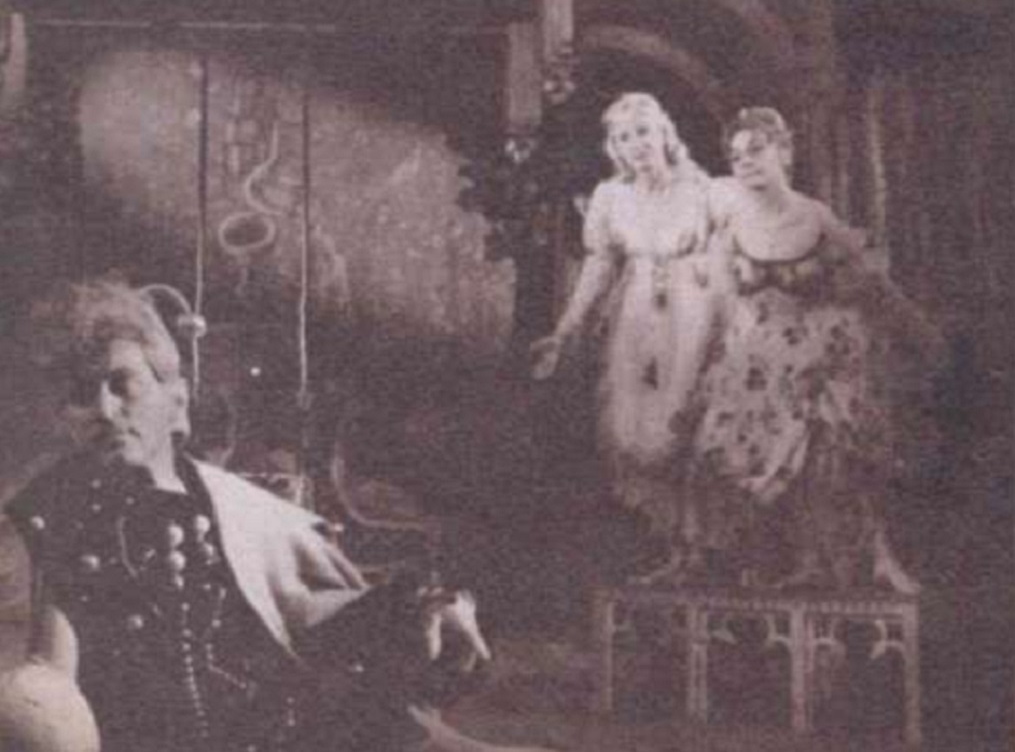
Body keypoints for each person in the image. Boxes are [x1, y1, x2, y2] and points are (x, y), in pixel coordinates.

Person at [0, 278, 543, 752]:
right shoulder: (51, 516)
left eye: (123, 383)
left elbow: (313, 621)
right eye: (81, 394)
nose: (103, 408)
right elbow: (46, 679)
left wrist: (424, 612)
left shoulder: (242, 512)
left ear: (177, 400)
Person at [683, 107, 940, 592]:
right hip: (760, 359)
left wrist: (920, 332)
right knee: (722, 450)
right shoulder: (730, 228)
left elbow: (873, 284)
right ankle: (772, 566)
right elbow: (717, 307)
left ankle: (867, 560)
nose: (745, 162)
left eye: (756, 150)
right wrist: (701, 367)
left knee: (834, 453)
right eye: (736, 156)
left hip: (821, 353)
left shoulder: (815, 217)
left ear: (784, 152)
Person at [531, 93, 719, 563]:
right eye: (624, 137)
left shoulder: (702, 190)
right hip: (635, 318)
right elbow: (598, 266)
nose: (636, 144)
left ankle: (699, 545)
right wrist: (565, 329)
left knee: (688, 419)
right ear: (614, 147)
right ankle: (668, 543)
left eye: (643, 132)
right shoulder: (610, 197)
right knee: (631, 427)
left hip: (694, 313)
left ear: (664, 133)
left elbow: (730, 258)